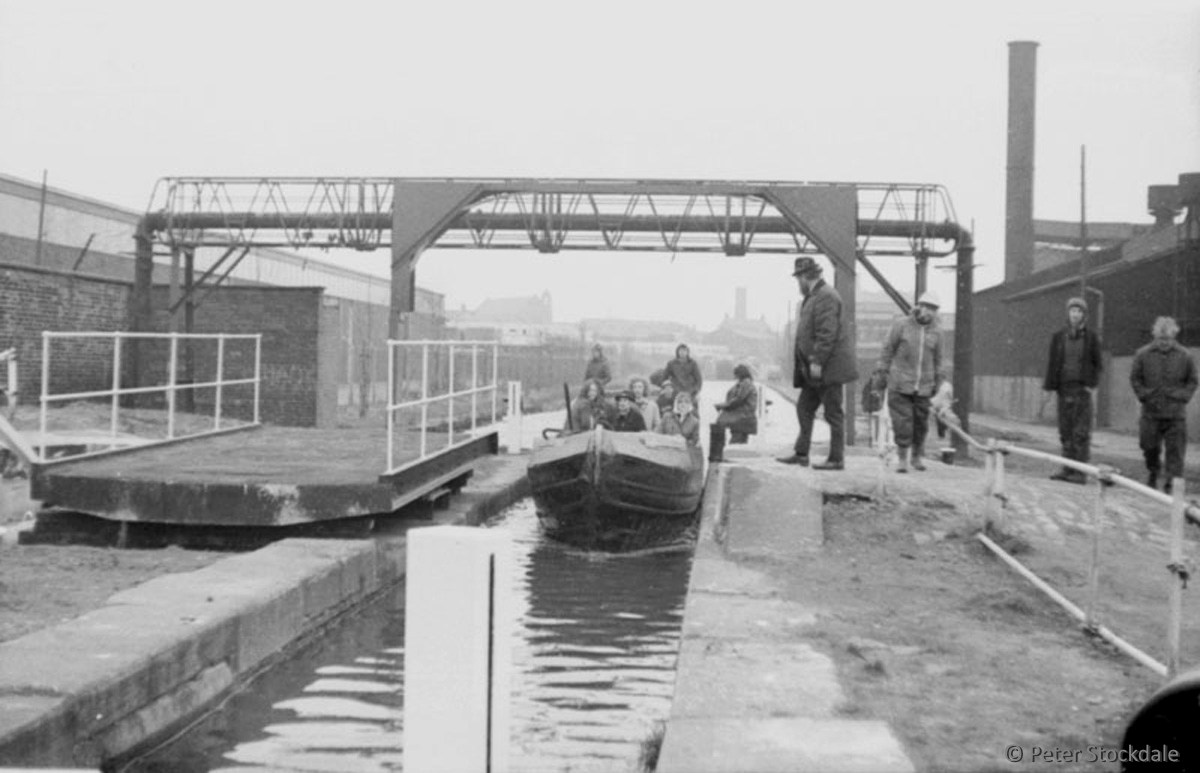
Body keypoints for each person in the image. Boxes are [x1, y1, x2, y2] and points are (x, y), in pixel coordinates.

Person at [776, 256, 858, 470]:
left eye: (798, 279)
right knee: (804, 408)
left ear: (805, 277)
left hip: (826, 368)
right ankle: (802, 453)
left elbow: (826, 332)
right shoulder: (815, 296)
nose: (798, 284)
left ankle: (836, 459)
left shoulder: (826, 297)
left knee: (833, 413)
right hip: (814, 370)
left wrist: (817, 361)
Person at [876, 291, 947, 473]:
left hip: (924, 386)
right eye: (927, 307)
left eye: (933, 309)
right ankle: (902, 459)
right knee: (903, 423)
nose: (929, 312)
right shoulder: (902, 325)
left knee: (921, 424)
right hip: (900, 384)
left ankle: (917, 457)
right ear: (919, 306)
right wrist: (881, 374)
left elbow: (939, 360)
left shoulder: (937, 332)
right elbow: (887, 350)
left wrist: (939, 384)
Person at [1130, 316, 1198, 494]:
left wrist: (1182, 397)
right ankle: (1153, 471)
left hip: (1175, 414)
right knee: (1148, 447)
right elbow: (1135, 379)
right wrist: (1144, 395)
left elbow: (1192, 381)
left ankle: (1171, 484)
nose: (1164, 343)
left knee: (1175, 453)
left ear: (1173, 337)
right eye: (1161, 339)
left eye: (1167, 339)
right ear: (1155, 337)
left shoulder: (1185, 356)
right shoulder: (1142, 354)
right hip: (1151, 412)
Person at [1043, 297, 1104, 484]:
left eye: (1079, 311)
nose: (1075, 314)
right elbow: (1053, 363)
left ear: (1084, 315)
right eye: (1072, 311)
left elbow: (1098, 364)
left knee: (1081, 432)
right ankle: (1067, 469)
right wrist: (1050, 387)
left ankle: (1080, 472)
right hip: (1064, 389)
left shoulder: (1091, 338)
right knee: (1065, 431)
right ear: (1068, 313)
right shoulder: (1059, 337)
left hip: (1081, 390)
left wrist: (1090, 384)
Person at [714, 364, 758, 444]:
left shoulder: (746, 383)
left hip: (743, 415)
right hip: (744, 415)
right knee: (740, 441)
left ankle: (718, 448)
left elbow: (739, 399)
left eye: (736, 374)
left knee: (735, 440)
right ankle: (720, 447)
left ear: (740, 374)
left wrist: (723, 406)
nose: (735, 377)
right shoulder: (744, 383)